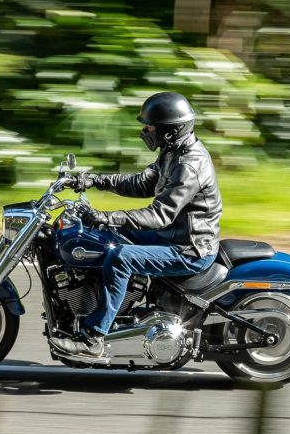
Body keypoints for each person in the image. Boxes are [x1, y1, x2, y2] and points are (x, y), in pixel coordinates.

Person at [50, 91, 223, 357]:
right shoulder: (172, 152)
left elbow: (159, 215)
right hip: (172, 236)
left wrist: (107, 215)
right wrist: (94, 180)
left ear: (169, 130)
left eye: (150, 126)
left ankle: (93, 337)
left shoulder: (189, 165)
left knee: (121, 258)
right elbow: (142, 183)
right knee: (105, 235)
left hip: (189, 249)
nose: (145, 131)